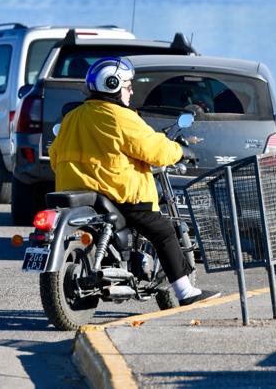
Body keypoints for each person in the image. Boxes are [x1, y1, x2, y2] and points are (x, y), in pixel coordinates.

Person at [48, 57, 219, 307]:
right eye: (128, 85)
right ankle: (185, 292)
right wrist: (180, 152)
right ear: (113, 84)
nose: (131, 91)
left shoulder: (73, 117)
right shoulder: (120, 117)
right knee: (163, 232)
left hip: (77, 193)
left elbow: (55, 158)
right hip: (120, 195)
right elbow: (154, 150)